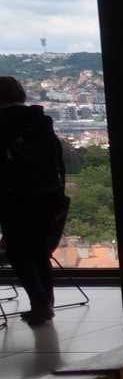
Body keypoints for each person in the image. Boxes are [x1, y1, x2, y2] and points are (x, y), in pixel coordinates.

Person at [0, 76, 67, 327]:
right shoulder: (40, 119)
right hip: (47, 193)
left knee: (18, 251)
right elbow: (57, 158)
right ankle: (45, 303)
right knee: (40, 250)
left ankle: (40, 304)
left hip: (13, 196)